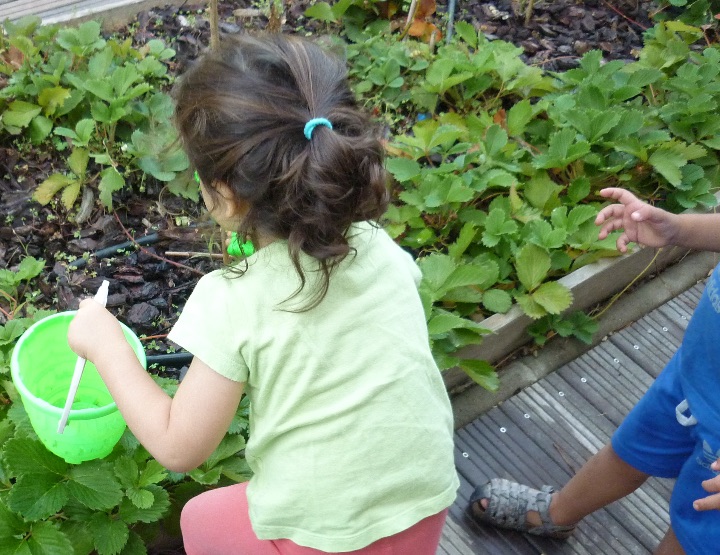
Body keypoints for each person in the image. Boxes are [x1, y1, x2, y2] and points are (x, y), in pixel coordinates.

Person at [68, 33, 459, 554]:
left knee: (200, 522)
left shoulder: (234, 300)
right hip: (424, 501)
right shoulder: (380, 247)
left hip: (322, 533)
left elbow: (178, 446)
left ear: (224, 195)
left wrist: (106, 344)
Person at [469, 187, 720, 555]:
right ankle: (557, 513)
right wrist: (677, 229)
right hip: (694, 374)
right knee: (627, 451)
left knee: (694, 533)